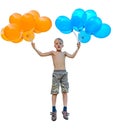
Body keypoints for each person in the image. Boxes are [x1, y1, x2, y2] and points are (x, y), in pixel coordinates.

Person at [31, 37, 81, 121]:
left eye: (60, 43)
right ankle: (54, 110)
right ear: (54, 45)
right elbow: (41, 54)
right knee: (54, 92)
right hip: (56, 73)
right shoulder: (52, 52)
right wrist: (34, 48)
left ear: (63, 45)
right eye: (57, 43)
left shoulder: (64, 53)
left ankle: (65, 110)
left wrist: (78, 48)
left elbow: (72, 56)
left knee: (65, 92)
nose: (58, 45)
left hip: (64, 73)